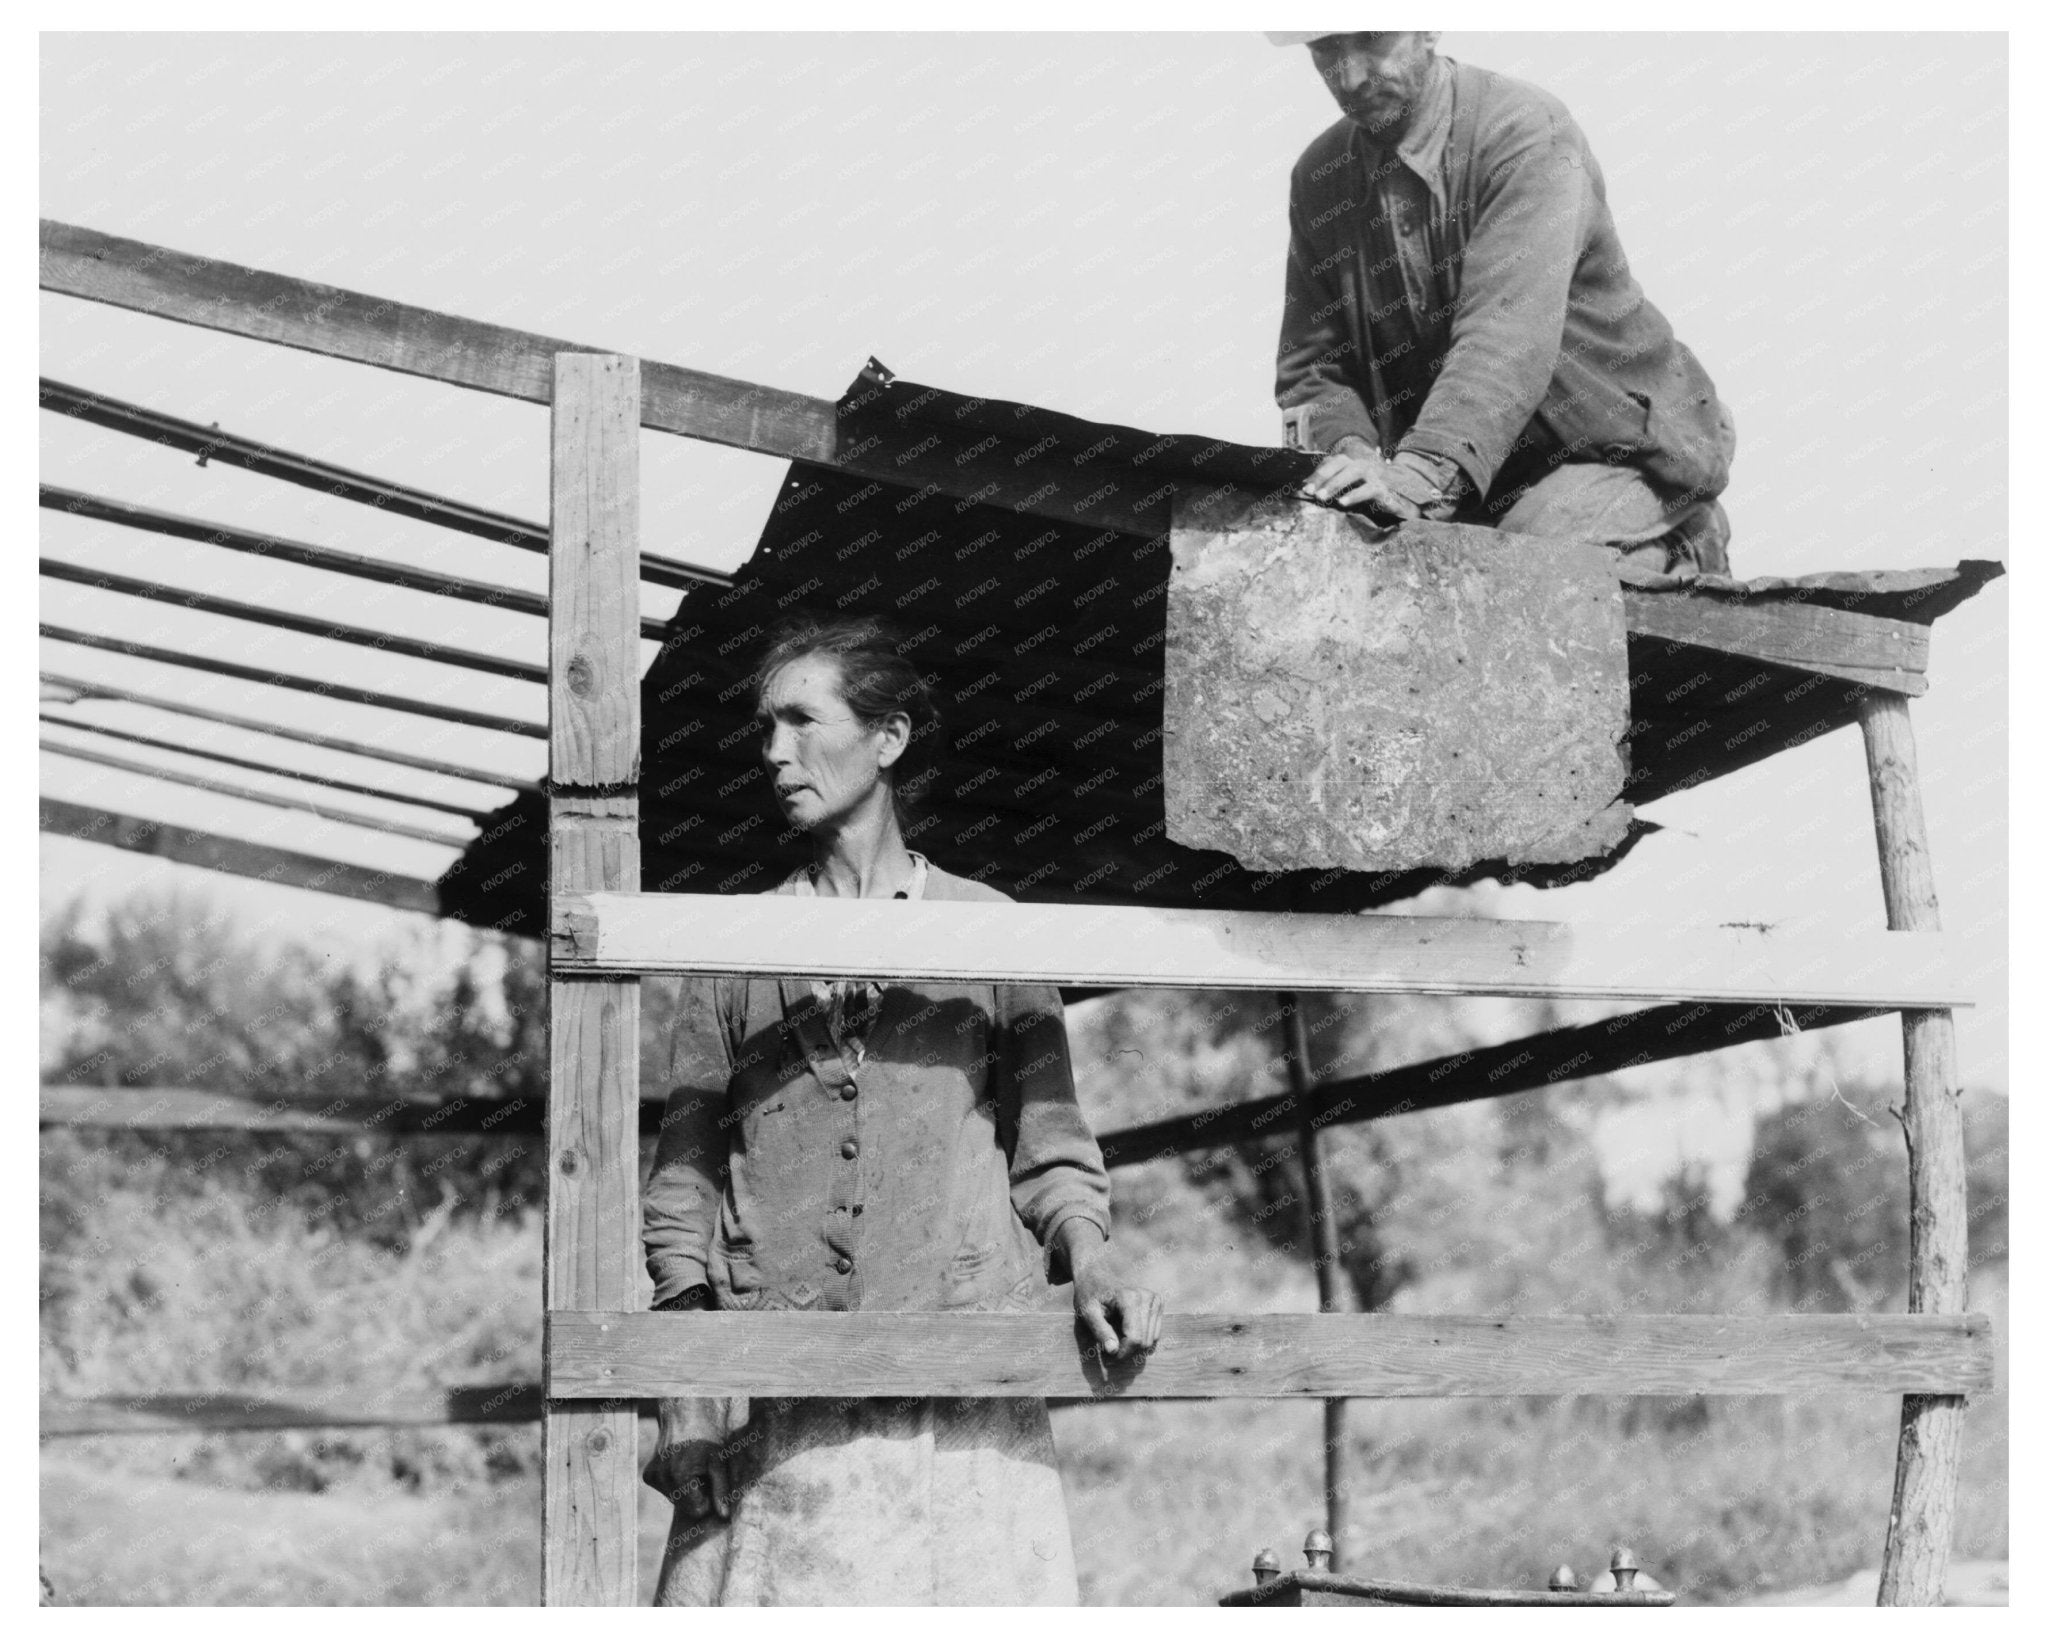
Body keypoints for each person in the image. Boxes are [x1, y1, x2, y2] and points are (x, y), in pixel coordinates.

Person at [640, 615, 1165, 1606]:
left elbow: (1049, 1150)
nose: (774, 752)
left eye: (801, 720)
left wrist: (1090, 1254)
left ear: (888, 739)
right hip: (778, 1401)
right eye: (763, 729)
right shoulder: (730, 949)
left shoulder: (988, 933)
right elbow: (682, 1192)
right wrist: (686, 1385)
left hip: (958, 1393)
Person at [1271, 31, 1738, 580]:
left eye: (1372, 40)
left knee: (1512, 578)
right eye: (1325, 51)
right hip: (1474, 477)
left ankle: (1682, 538)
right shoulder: (1320, 176)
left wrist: (1417, 480)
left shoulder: (1523, 131)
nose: (1350, 77)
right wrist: (1349, 457)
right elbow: (1313, 370)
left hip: (1615, 451)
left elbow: (1505, 337)